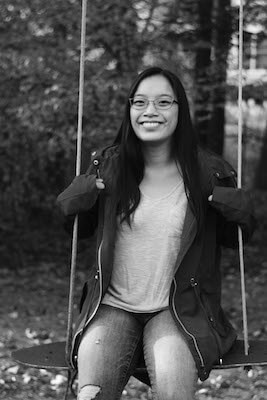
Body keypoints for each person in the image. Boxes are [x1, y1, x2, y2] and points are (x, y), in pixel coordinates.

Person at [57, 67, 256, 400]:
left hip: (177, 309)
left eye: (164, 102)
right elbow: (76, 226)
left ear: (180, 110)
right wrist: (76, 198)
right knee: (90, 391)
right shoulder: (108, 167)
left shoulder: (208, 173)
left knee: (171, 375)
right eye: (141, 102)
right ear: (130, 109)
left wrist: (239, 209)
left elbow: (237, 235)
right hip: (112, 305)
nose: (150, 111)